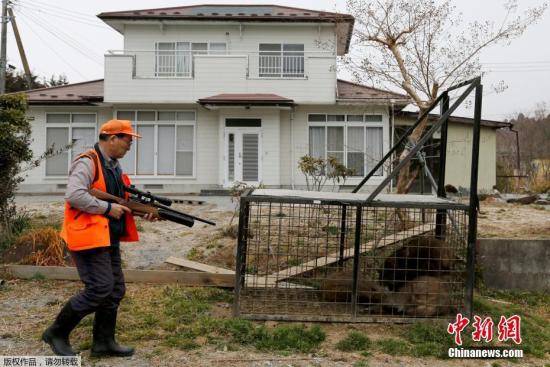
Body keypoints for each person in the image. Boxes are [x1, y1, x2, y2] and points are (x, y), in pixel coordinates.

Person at [42, 119, 156, 357]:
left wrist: (144, 211)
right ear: (112, 138)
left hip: (107, 237)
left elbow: (119, 200)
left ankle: (103, 343)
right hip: (88, 237)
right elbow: (74, 195)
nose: (130, 145)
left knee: (115, 290)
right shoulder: (88, 162)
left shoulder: (113, 166)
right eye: (127, 140)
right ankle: (56, 333)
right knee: (100, 288)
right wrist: (106, 209)